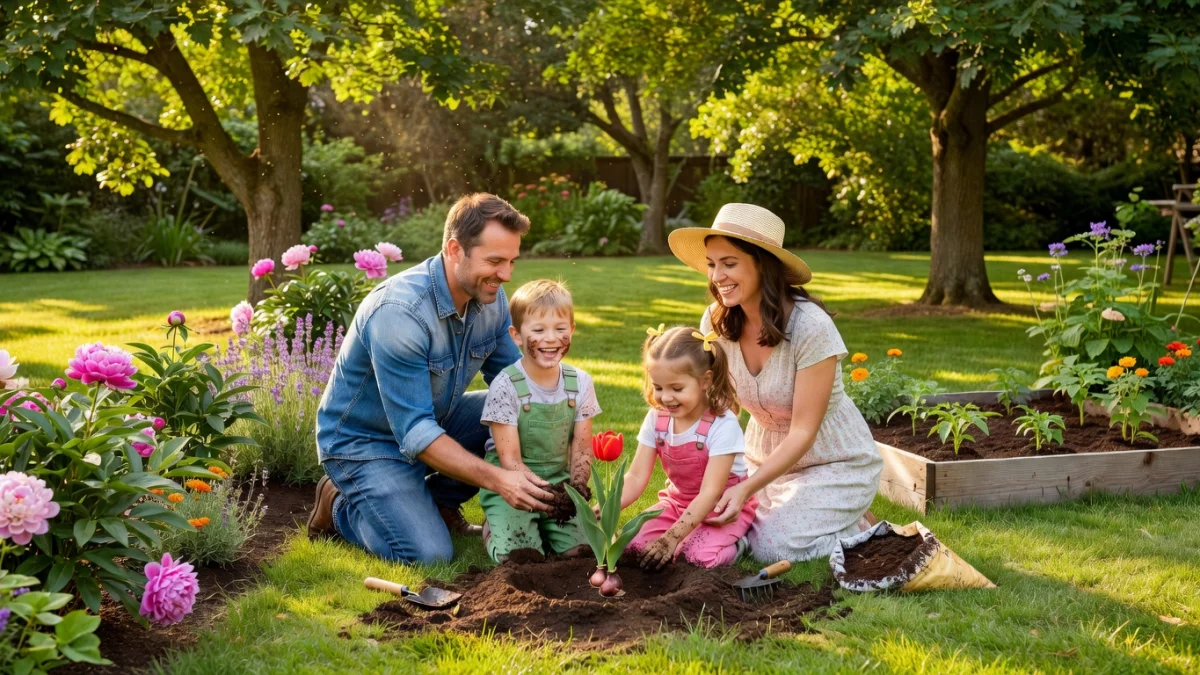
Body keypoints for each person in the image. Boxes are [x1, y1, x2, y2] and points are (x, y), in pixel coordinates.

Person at [308, 193, 554, 563]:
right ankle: (339, 504)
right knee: (427, 554)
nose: (505, 275)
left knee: (515, 411)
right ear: (456, 249)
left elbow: (518, 387)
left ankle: (437, 503)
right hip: (365, 444)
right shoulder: (400, 313)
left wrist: (567, 469)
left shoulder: (491, 299)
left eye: (512, 262)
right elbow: (414, 432)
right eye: (495, 261)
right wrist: (500, 480)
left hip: (433, 420)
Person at [667, 203, 882, 562]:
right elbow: (721, 405)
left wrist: (747, 487)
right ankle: (810, 515)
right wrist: (695, 463)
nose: (716, 275)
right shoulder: (715, 322)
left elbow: (803, 432)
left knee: (770, 546)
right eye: (711, 263)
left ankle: (860, 528)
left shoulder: (811, 328)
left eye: (729, 263)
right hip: (760, 456)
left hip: (832, 463)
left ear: (763, 265)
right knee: (719, 522)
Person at [478, 279, 601, 562]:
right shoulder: (506, 385)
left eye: (560, 329)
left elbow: (582, 448)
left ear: (571, 330)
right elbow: (510, 461)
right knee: (521, 556)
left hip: (559, 484)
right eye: (538, 330)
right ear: (517, 335)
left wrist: (576, 490)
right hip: (513, 485)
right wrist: (549, 499)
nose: (550, 339)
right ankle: (492, 529)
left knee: (581, 553)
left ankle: (551, 530)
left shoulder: (580, 383)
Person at [617, 326, 755, 569]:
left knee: (692, 558)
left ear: (705, 381)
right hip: (677, 504)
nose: (666, 398)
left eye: (676, 388)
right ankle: (683, 538)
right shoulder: (656, 419)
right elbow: (637, 476)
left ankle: (739, 545)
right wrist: (608, 508)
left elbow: (710, 493)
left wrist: (672, 537)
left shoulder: (722, 425)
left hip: (720, 510)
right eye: (658, 387)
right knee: (630, 547)